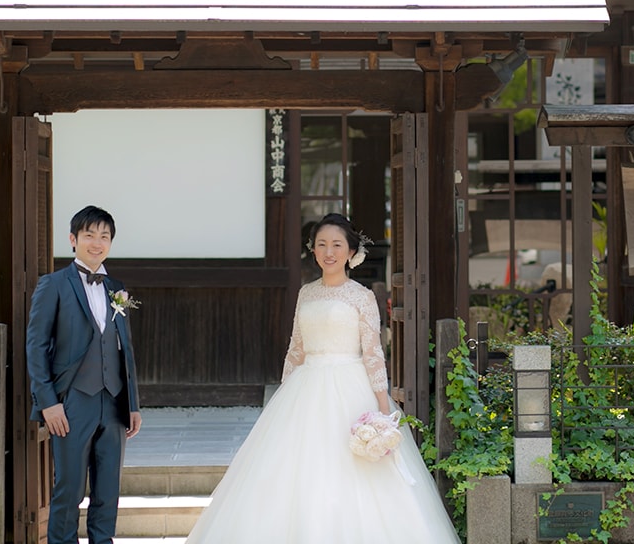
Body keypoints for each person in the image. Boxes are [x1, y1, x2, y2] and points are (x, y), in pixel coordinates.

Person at [185, 212, 459, 544]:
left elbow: (373, 353)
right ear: (312, 250)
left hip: (349, 384)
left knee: (352, 474)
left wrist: (383, 411)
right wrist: (284, 397)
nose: (328, 252)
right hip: (305, 388)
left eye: (336, 245)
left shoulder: (361, 296)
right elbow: (296, 347)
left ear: (350, 251)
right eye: (321, 245)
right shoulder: (306, 293)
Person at [25, 205, 142, 544]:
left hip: (115, 402)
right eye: (89, 235)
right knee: (69, 489)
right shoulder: (53, 285)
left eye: (104, 236)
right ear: (73, 239)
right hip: (72, 402)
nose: (97, 242)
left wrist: (133, 403)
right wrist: (48, 402)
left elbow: (125, 351)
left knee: (108, 491)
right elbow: (36, 348)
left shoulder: (116, 287)